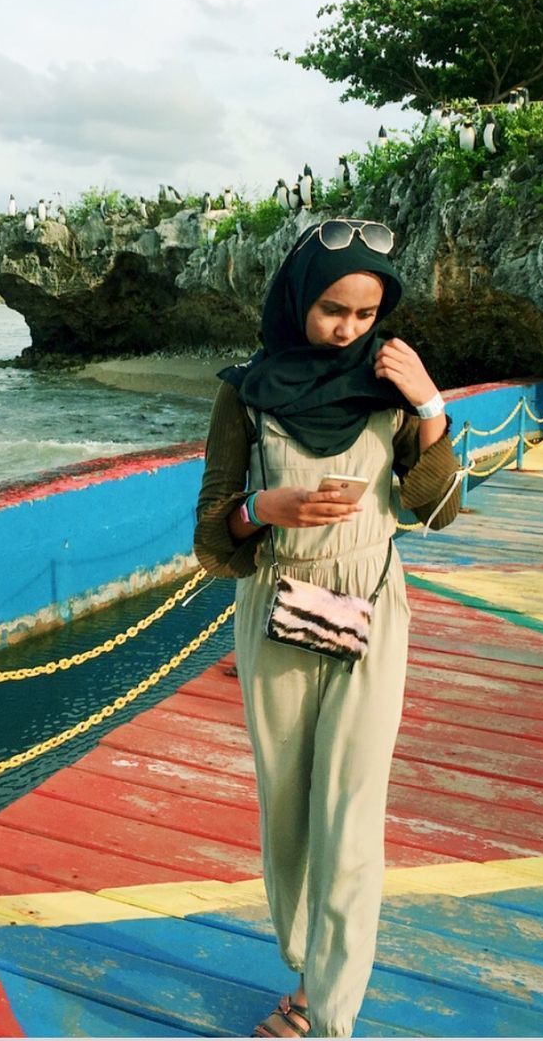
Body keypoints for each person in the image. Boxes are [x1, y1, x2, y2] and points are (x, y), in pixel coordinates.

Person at [194, 219, 462, 1038]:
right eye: (330, 310)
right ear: (297, 298)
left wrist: (429, 405)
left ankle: (328, 1010)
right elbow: (210, 537)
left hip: (370, 604)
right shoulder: (244, 390)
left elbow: (440, 510)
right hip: (276, 604)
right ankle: (307, 963)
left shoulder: (388, 388)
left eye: (363, 314)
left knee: (350, 809)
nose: (346, 329)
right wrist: (259, 510)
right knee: (285, 806)